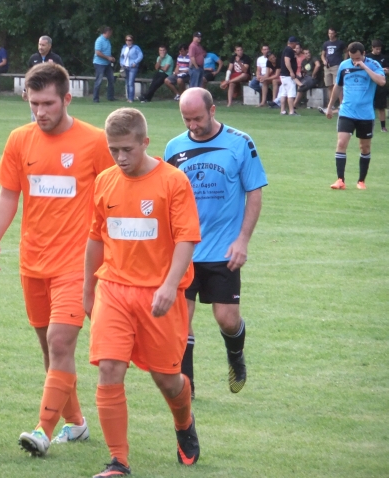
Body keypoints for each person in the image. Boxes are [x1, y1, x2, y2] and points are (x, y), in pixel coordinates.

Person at [0, 62, 113, 458]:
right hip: (33, 263)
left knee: (59, 341)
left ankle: (42, 429)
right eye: (34, 103)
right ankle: (76, 423)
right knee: (50, 348)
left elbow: (116, 196)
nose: (40, 112)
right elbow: (9, 193)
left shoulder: (95, 142)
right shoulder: (19, 140)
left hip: (77, 265)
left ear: (67, 99)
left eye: (48, 104)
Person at [85, 107, 201, 478]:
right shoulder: (104, 182)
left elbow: (186, 239)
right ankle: (118, 462)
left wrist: (169, 285)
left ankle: (183, 422)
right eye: (113, 150)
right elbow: (95, 237)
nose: (120, 158)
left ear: (145, 142)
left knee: (168, 379)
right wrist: (89, 288)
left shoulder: (173, 181)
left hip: (159, 296)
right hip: (114, 289)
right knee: (109, 368)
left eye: (127, 150)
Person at [165, 87, 268, 400]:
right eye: (186, 119)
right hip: (184, 250)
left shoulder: (240, 143)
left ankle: (235, 355)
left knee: (227, 319)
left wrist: (242, 240)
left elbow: (254, 193)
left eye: (198, 118)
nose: (193, 125)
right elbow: (167, 198)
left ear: (212, 110)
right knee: (181, 322)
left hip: (224, 249)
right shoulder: (174, 148)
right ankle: (187, 390)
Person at [325, 42, 386, 190]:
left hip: (365, 114)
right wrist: (330, 106)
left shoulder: (373, 64)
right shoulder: (344, 65)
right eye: (352, 58)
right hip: (347, 112)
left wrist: (364, 67)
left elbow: (381, 81)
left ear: (364, 53)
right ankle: (340, 180)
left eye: (358, 58)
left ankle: (361, 181)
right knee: (341, 143)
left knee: (364, 147)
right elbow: (338, 86)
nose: (355, 61)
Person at [320, 28, 347, 114]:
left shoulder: (340, 43)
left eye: (332, 33)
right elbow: (322, 55)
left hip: (336, 65)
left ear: (335, 33)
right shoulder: (326, 43)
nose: (330, 35)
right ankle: (331, 104)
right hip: (328, 66)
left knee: (338, 84)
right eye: (329, 33)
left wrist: (344, 61)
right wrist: (324, 61)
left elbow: (346, 52)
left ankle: (341, 104)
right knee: (329, 86)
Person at [366, 40, 388, 132]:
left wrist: (385, 71)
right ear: (373, 48)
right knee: (369, 106)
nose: (378, 51)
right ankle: (368, 125)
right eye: (377, 49)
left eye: (380, 49)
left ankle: (383, 127)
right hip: (370, 85)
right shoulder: (367, 57)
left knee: (381, 107)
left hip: (381, 86)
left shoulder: (384, 58)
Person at [278, 36, 302, 115]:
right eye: (295, 43)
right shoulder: (289, 50)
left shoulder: (287, 49)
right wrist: (291, 72)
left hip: (283, 75)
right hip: (288, 75)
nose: (296, 45)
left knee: (284, 93)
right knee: (290, 93)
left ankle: (283, 110)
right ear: (293, 43)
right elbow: (287, 61)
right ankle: (291, 111)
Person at [92, 26, 116, 103]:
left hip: (107, 63)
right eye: (110, 33)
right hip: (99, 63)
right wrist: (108, 58)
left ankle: (110, 97)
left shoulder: (107, 41)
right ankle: (95, 98)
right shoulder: (99, 40)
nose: (111, 34)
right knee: (99, 80)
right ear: (107, 32)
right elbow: (98, 52)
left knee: (111, 79)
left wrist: (111, 57)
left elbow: (106, 52)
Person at [119, 34, 142, 102]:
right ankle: (129, 97)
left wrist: (135, 62)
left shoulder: (136, 47)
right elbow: (121, 57)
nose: (128, 41)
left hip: (132, 67)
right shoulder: (124, 48)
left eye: (129, 40)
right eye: (126, 40)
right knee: (127, 83)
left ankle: (131, 98)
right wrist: (121, 63)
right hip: (125, 67)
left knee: (130, 82)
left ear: (132, 41)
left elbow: (140, 56)